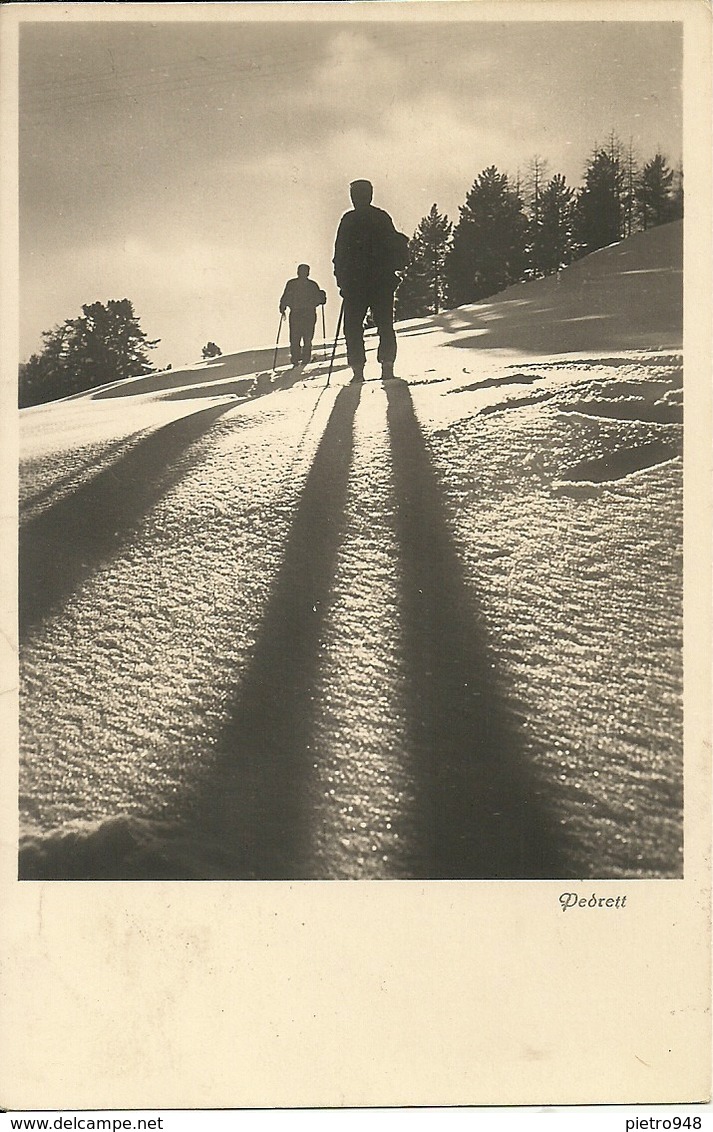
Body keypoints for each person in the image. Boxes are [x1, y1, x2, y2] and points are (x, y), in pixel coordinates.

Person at [333, 179, 408, 382]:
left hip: (357, 284)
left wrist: (342, 281)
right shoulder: (381, 217)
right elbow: (394, 244)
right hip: (381, 282)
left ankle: (359, 370)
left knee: (353, 326)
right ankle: (386, 367)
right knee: (384, 324)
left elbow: (339, 254)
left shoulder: (348, 219)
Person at [279, 264, 327, 366]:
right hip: (308, 314)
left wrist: (282, 307)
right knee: (307, 337)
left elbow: (285, 297)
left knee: (296, 338)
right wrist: (322, 297)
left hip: (297, 313)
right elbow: (319, 300)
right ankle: (304, 358)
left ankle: (296, 359)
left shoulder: (292, 284)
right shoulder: (312, 285)